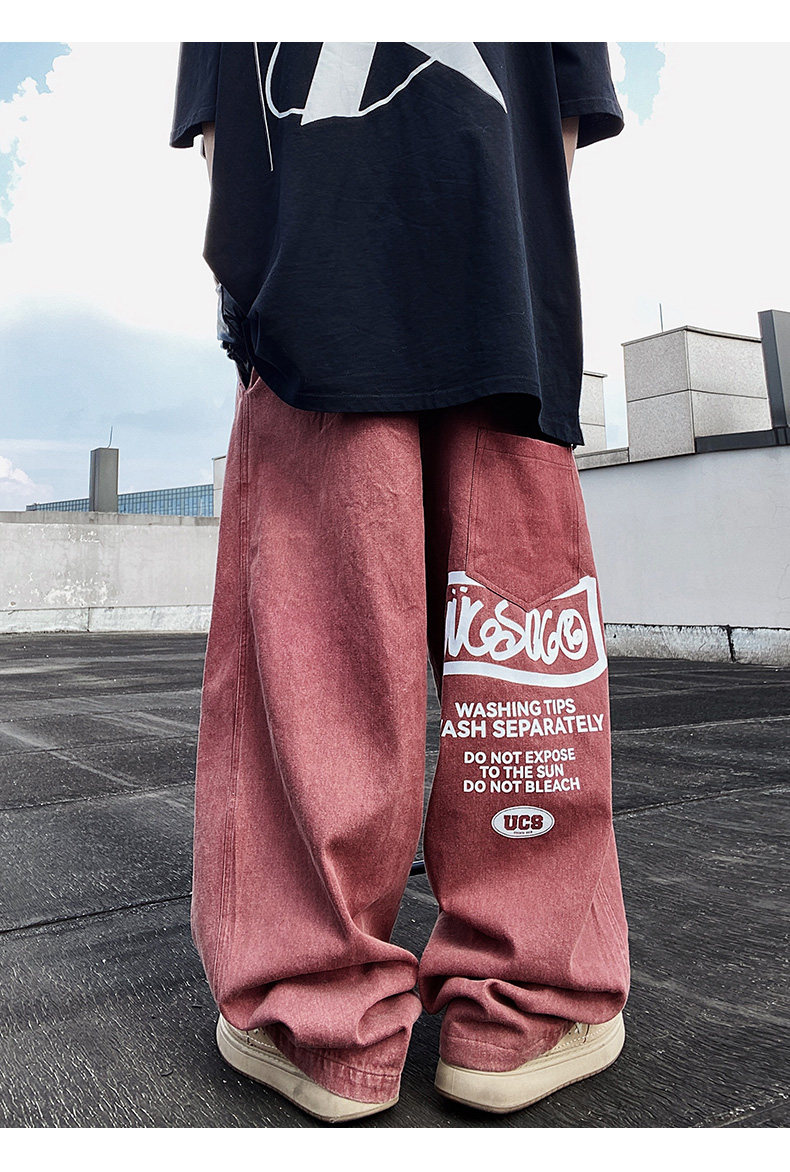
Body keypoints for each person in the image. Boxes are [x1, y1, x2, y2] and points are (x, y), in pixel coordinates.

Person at [170, 41, 630, 1124]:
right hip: (501, 302)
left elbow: (226, 138)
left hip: (314, 305)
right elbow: (560, 126)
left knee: (313, 663)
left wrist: (267, 292)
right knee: (519, 664)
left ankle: (317, 1017)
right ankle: (524, 1005)